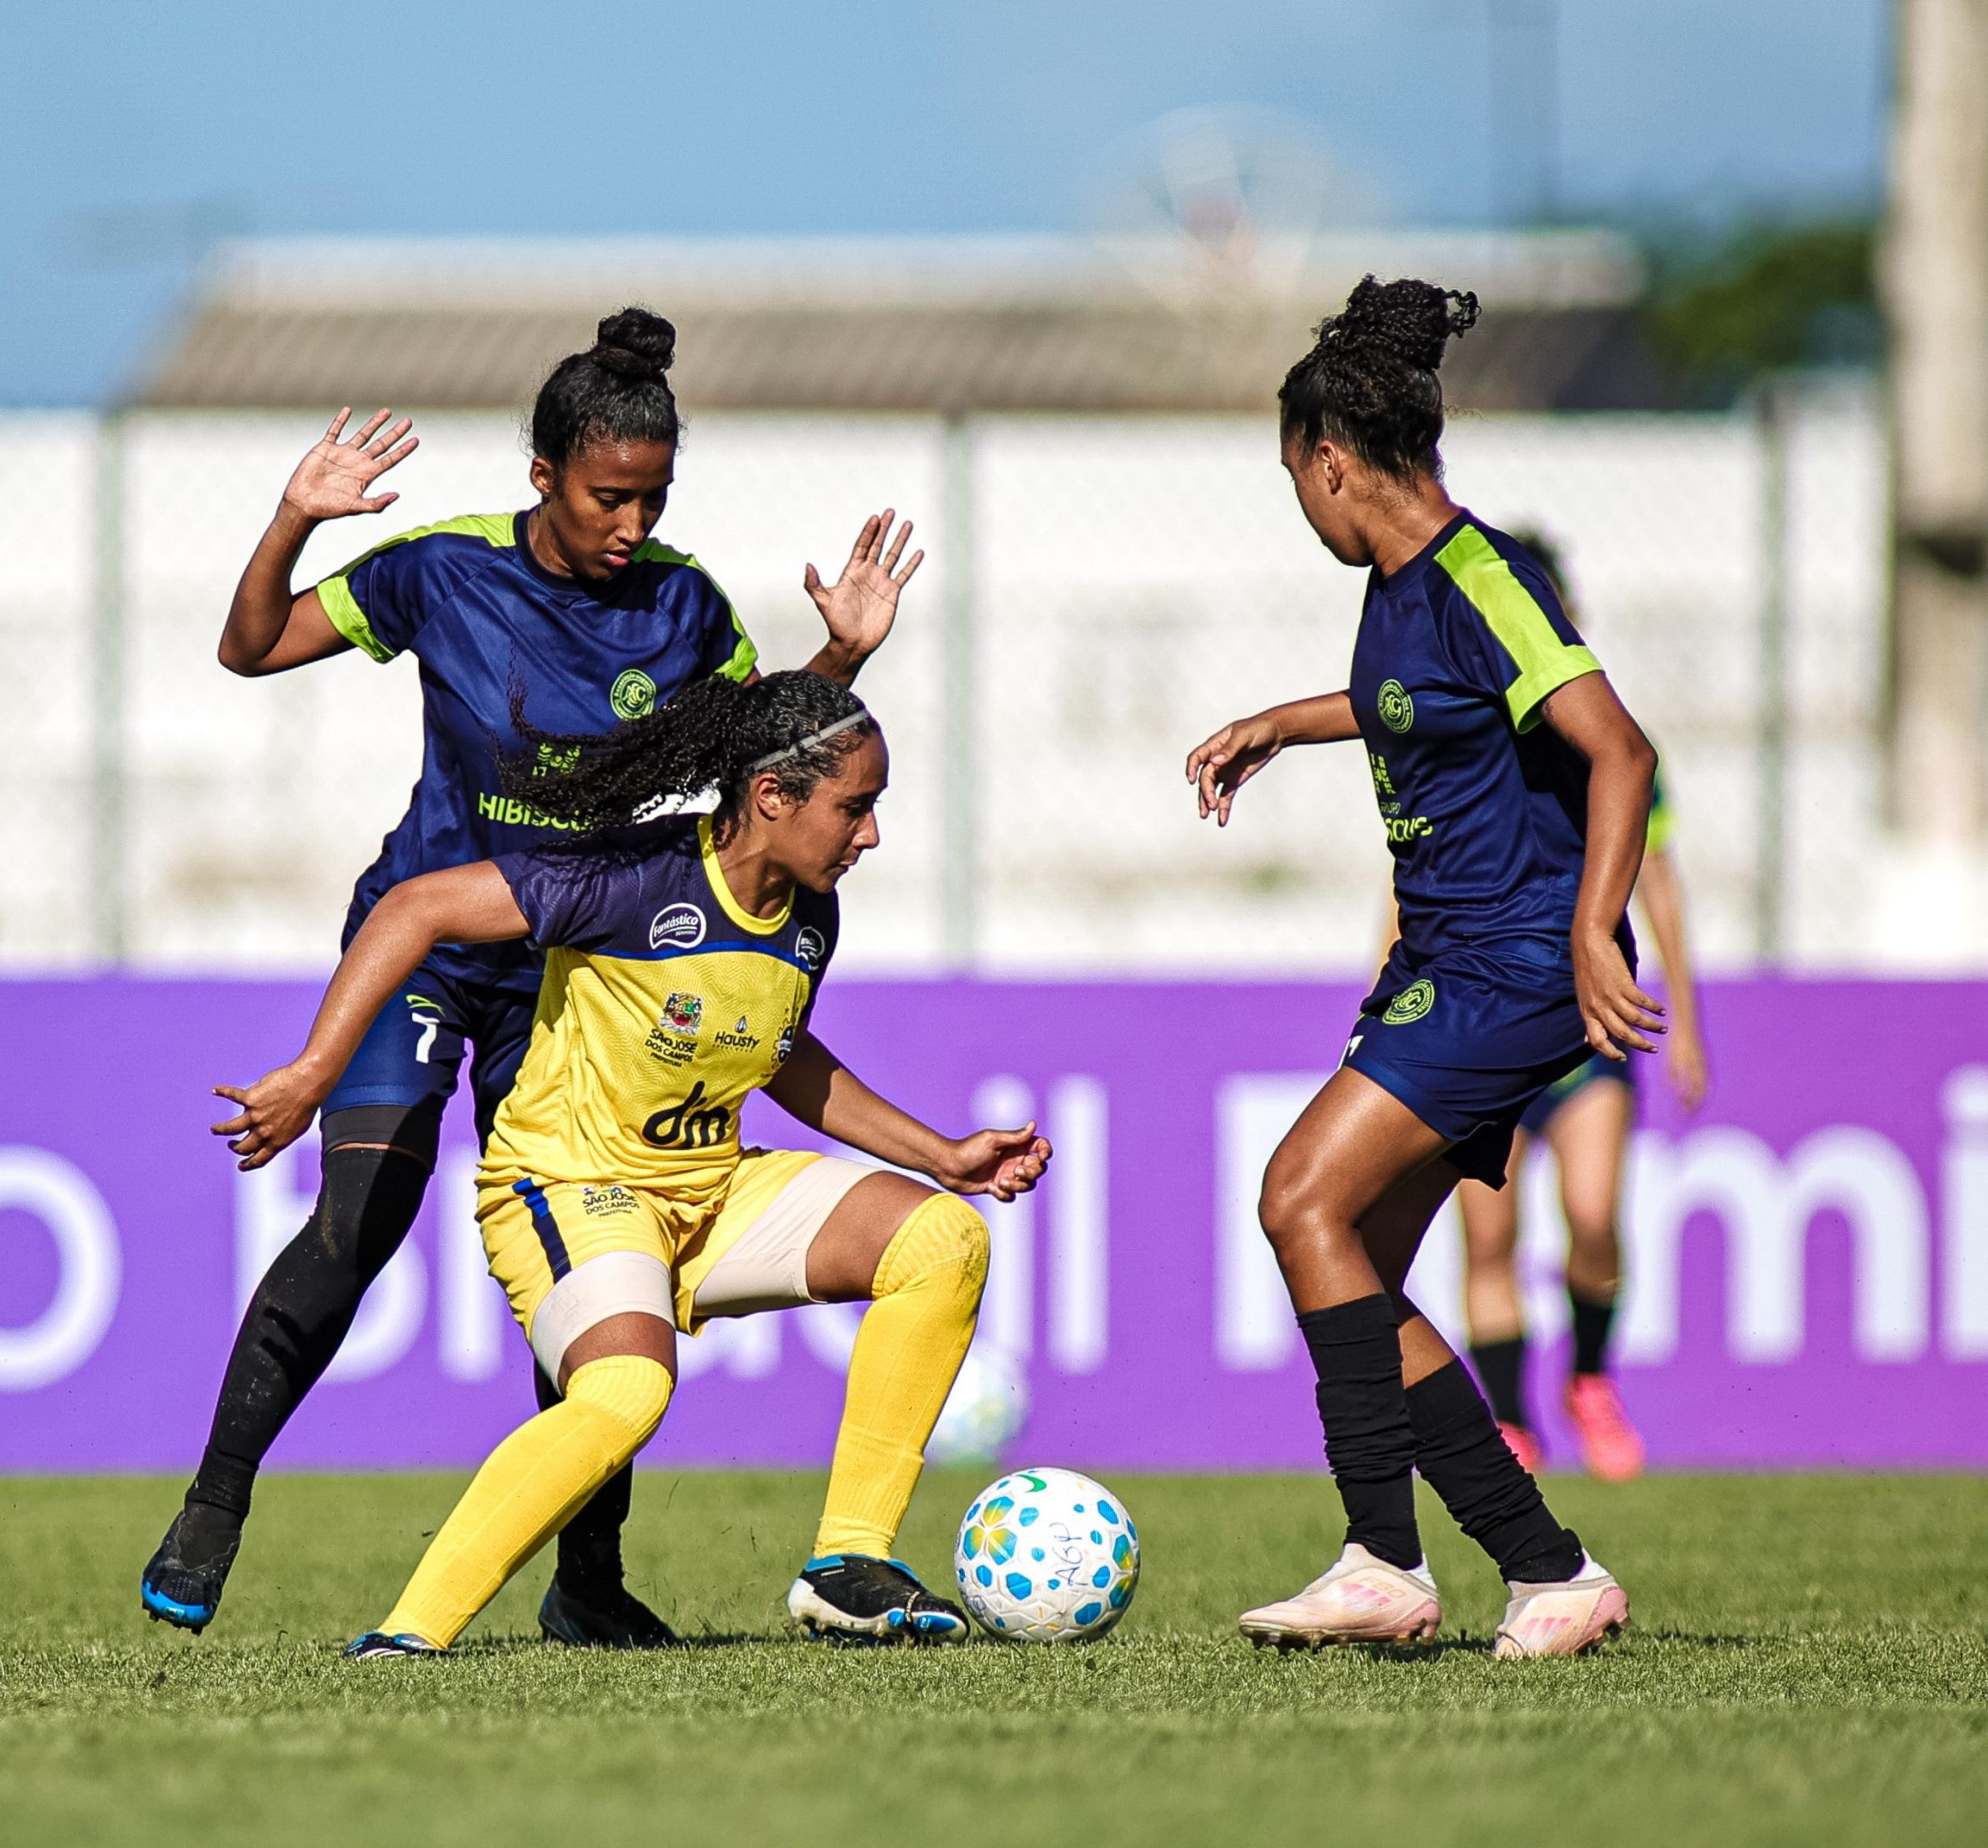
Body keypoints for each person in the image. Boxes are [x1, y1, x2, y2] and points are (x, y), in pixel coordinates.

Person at [141, 307, 924, 1647]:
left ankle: (588, 1581)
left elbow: (771, 766)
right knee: (361, 1220)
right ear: (544, 474)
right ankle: (217, 1499)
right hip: (433, 940)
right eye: (608, 494)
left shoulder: (685, 606)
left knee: (589, 1269)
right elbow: (251, 646)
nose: (630, 523)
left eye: (652, 497)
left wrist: (841, 656)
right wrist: (293, 519)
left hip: (582, 977)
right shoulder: (439, 573)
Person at [209, 671, 1049, 1654]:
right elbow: (415, 907)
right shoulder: (629, 877)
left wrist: (940, 1155)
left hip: (709, 1188)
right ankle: (408, 1633)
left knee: (942, 1241)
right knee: (627, 1392)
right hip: (567, 1188)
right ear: (772, 797)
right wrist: (314, 1071)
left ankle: (846, 1566)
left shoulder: (808, 915)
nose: (869, 835)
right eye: (854, 808)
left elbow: (780, 1053)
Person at [1185, 276, 1655, 1657]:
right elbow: (1420, 704)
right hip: (1452, 957)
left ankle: (1398, 1559)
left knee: (1295, 1194)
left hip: (1512, 961)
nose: (1302, 506)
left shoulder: (1479, 574)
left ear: (1332, 460)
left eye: (1296, 480)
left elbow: (1619, 747)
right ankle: (1515, 1566)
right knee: (1357, 1264)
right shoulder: (1401, 592)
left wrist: (1587, 927)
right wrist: (1288, 718)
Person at [1447, 532, 1707, 1482]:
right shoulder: (1464, 739)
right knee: (1489, 1233)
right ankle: (1512, 1420)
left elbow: (1661, 881)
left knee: (1593, 1216)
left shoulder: (1613, 745)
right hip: (1476, 1020)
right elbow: (1407, 888)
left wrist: (1685, 1015)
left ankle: (1589, 1377)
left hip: (1584, 1020)